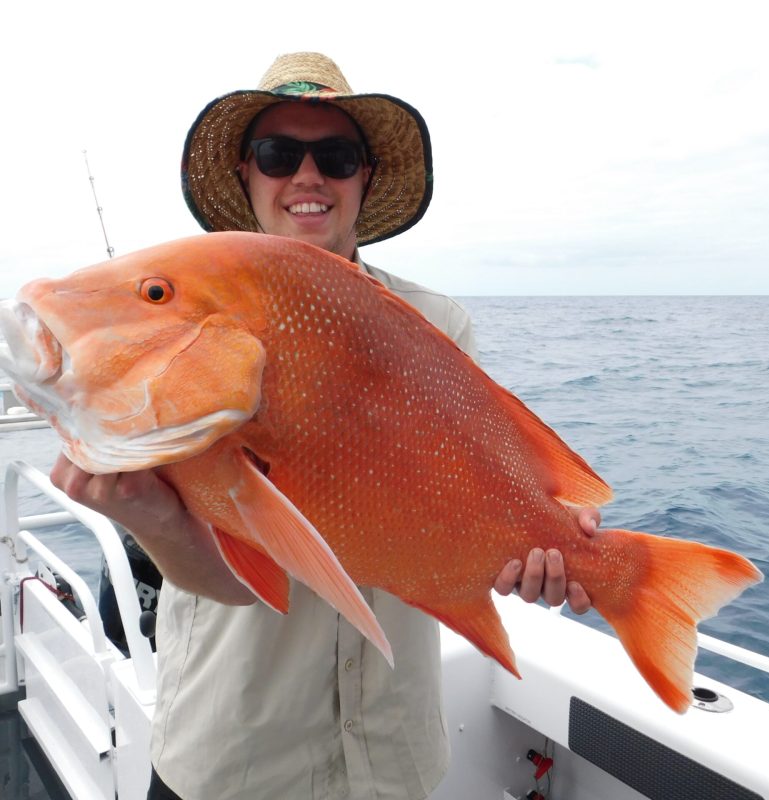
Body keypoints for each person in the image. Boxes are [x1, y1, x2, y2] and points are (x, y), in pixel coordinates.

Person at [51, 52, 601, 800]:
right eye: (279, 154)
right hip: (233, 754)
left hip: (389, 759)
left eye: (336, 156)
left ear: (364, 176)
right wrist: (156, 520)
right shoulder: (180, 337)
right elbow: (223, 581)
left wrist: (545, 538)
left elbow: (477, 484)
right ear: (247, 174)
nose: (307, 176)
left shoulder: (440, 325)